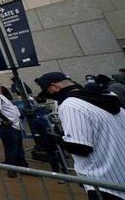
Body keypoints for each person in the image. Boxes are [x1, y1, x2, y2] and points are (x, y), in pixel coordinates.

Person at [36, 72, 125, 200]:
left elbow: (79, 147)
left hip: (104, 182)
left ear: (55, 87)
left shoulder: (70, 104)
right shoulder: (106, 96)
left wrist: (53, 137)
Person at [0, 80, 28, 176]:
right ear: (0, 86)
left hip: (14, 126)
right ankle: (11, 169)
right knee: (12, 148)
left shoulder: (0, 96)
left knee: (17, 147)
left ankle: (22, 166)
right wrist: (6, 119)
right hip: (7, 126)